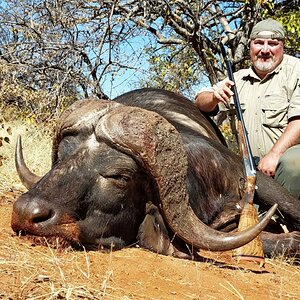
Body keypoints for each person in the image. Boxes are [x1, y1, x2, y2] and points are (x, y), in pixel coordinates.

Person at [195, 18, 300, 199]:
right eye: (259, 43)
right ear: (250, 46)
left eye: (272, 44)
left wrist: (275, 155)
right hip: (251, 168)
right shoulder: (237, 78)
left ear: (283, 46)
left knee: (294, 163)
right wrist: (213, 97)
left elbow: (298, 121)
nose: (265, 50)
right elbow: (200, 102)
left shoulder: (296, 71)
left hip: (284, 163)